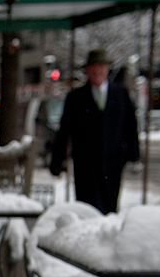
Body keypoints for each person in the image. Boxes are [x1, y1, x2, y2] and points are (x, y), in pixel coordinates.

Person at [50, 49, 140, 214]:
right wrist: (57, 160)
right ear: (87, 71)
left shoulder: (121, 95)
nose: (97, 72)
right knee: (87, 208)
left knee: (110, 207)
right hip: (85, 164)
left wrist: (133, 154)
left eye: (101, 67)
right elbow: (64, 131)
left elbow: (130, 127)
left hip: (112, 162)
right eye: (93, 68)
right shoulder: (76, 98)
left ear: (107, 69)